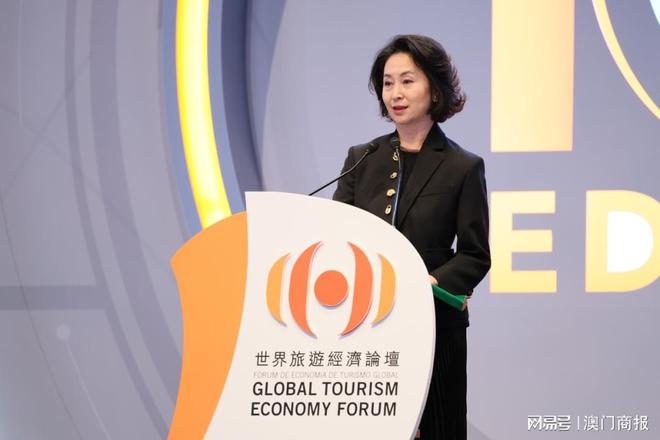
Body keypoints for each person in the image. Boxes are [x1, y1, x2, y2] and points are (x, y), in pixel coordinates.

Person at [332, 35, 491, 439]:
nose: (395, 94)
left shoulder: (462, 166)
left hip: (434, 326)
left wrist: (431, 283)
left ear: (434, 90)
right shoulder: (362, 158)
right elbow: (336, 236)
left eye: (407, 81)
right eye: (387, 83)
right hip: (366, 327)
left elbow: (474, 254)